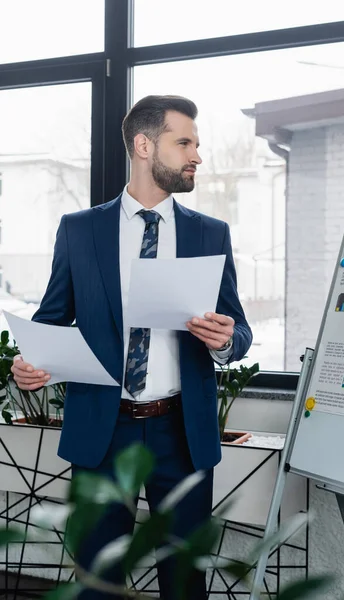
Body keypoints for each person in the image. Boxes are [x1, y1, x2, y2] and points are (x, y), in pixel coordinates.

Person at [11, 95, 253, 599]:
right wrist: (31, 365)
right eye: (184, 142)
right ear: (144, 145)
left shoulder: (211, 234)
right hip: (103, 432)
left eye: (197, 144)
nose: (197, 156)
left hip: (181, 434)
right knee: (97, 582)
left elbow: (241, 331)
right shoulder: (80, 230)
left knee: (185, 583)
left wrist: (226, 340)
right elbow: (51, 320)